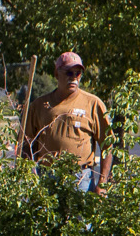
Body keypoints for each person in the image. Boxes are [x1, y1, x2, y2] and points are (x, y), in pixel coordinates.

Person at [18, 50, 112, 192]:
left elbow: (107, 145)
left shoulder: (93, 104)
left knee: (79, 215)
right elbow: (26, 144)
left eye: (77, 73)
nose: (74, 77)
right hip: (48, 176)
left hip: (81, 178)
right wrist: (31, 176)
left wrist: (102, 183)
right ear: (56, 74)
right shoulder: (39, 105)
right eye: (69, 72)